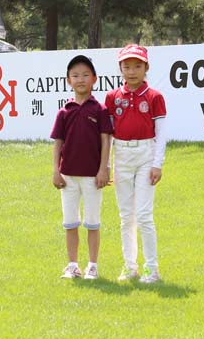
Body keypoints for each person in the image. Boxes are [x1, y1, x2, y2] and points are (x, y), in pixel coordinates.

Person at [105, 44, 168, 284]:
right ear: (120, 68)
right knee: (126, 216)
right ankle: (130, 266)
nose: (132, 71)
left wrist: (157, 164)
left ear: (146, 68)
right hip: (121, 155)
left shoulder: (154, 97)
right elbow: (108, 134)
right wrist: (107, 165)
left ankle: (151, 269)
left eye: (137, 66)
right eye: (127, 66)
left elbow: (161, 133)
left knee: (144, 215)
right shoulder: (113, 97)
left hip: (146, 154)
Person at [51, 55, 113, 280]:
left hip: (92, 177)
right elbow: (58, 143)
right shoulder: (64, 111)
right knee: (70, 223)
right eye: (75, 75)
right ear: (68, 81)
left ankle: (92, 266)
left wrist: (104, 169)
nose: (80, 79)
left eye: (85, 75)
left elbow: (106, 140)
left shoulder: (100, 110)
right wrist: (56, 170)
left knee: (93, 223)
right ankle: (73, 265)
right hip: (67, 177)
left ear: (94, 79)